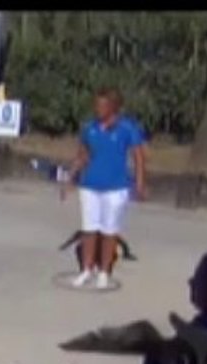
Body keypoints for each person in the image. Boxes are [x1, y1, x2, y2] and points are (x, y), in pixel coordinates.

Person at [63, 88, 147, 290]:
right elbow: (83, 155)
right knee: (89, 228)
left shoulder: (127, 128)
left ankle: (104, 272)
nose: (97, 109)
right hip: (90, 185)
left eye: (102, 105)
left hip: (116, 188)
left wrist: (140, 182)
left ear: (113, 107)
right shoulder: (89, 128)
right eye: (96, 104)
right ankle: (86, 269)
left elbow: (138, 156)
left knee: (109, 230)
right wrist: (70, 178)